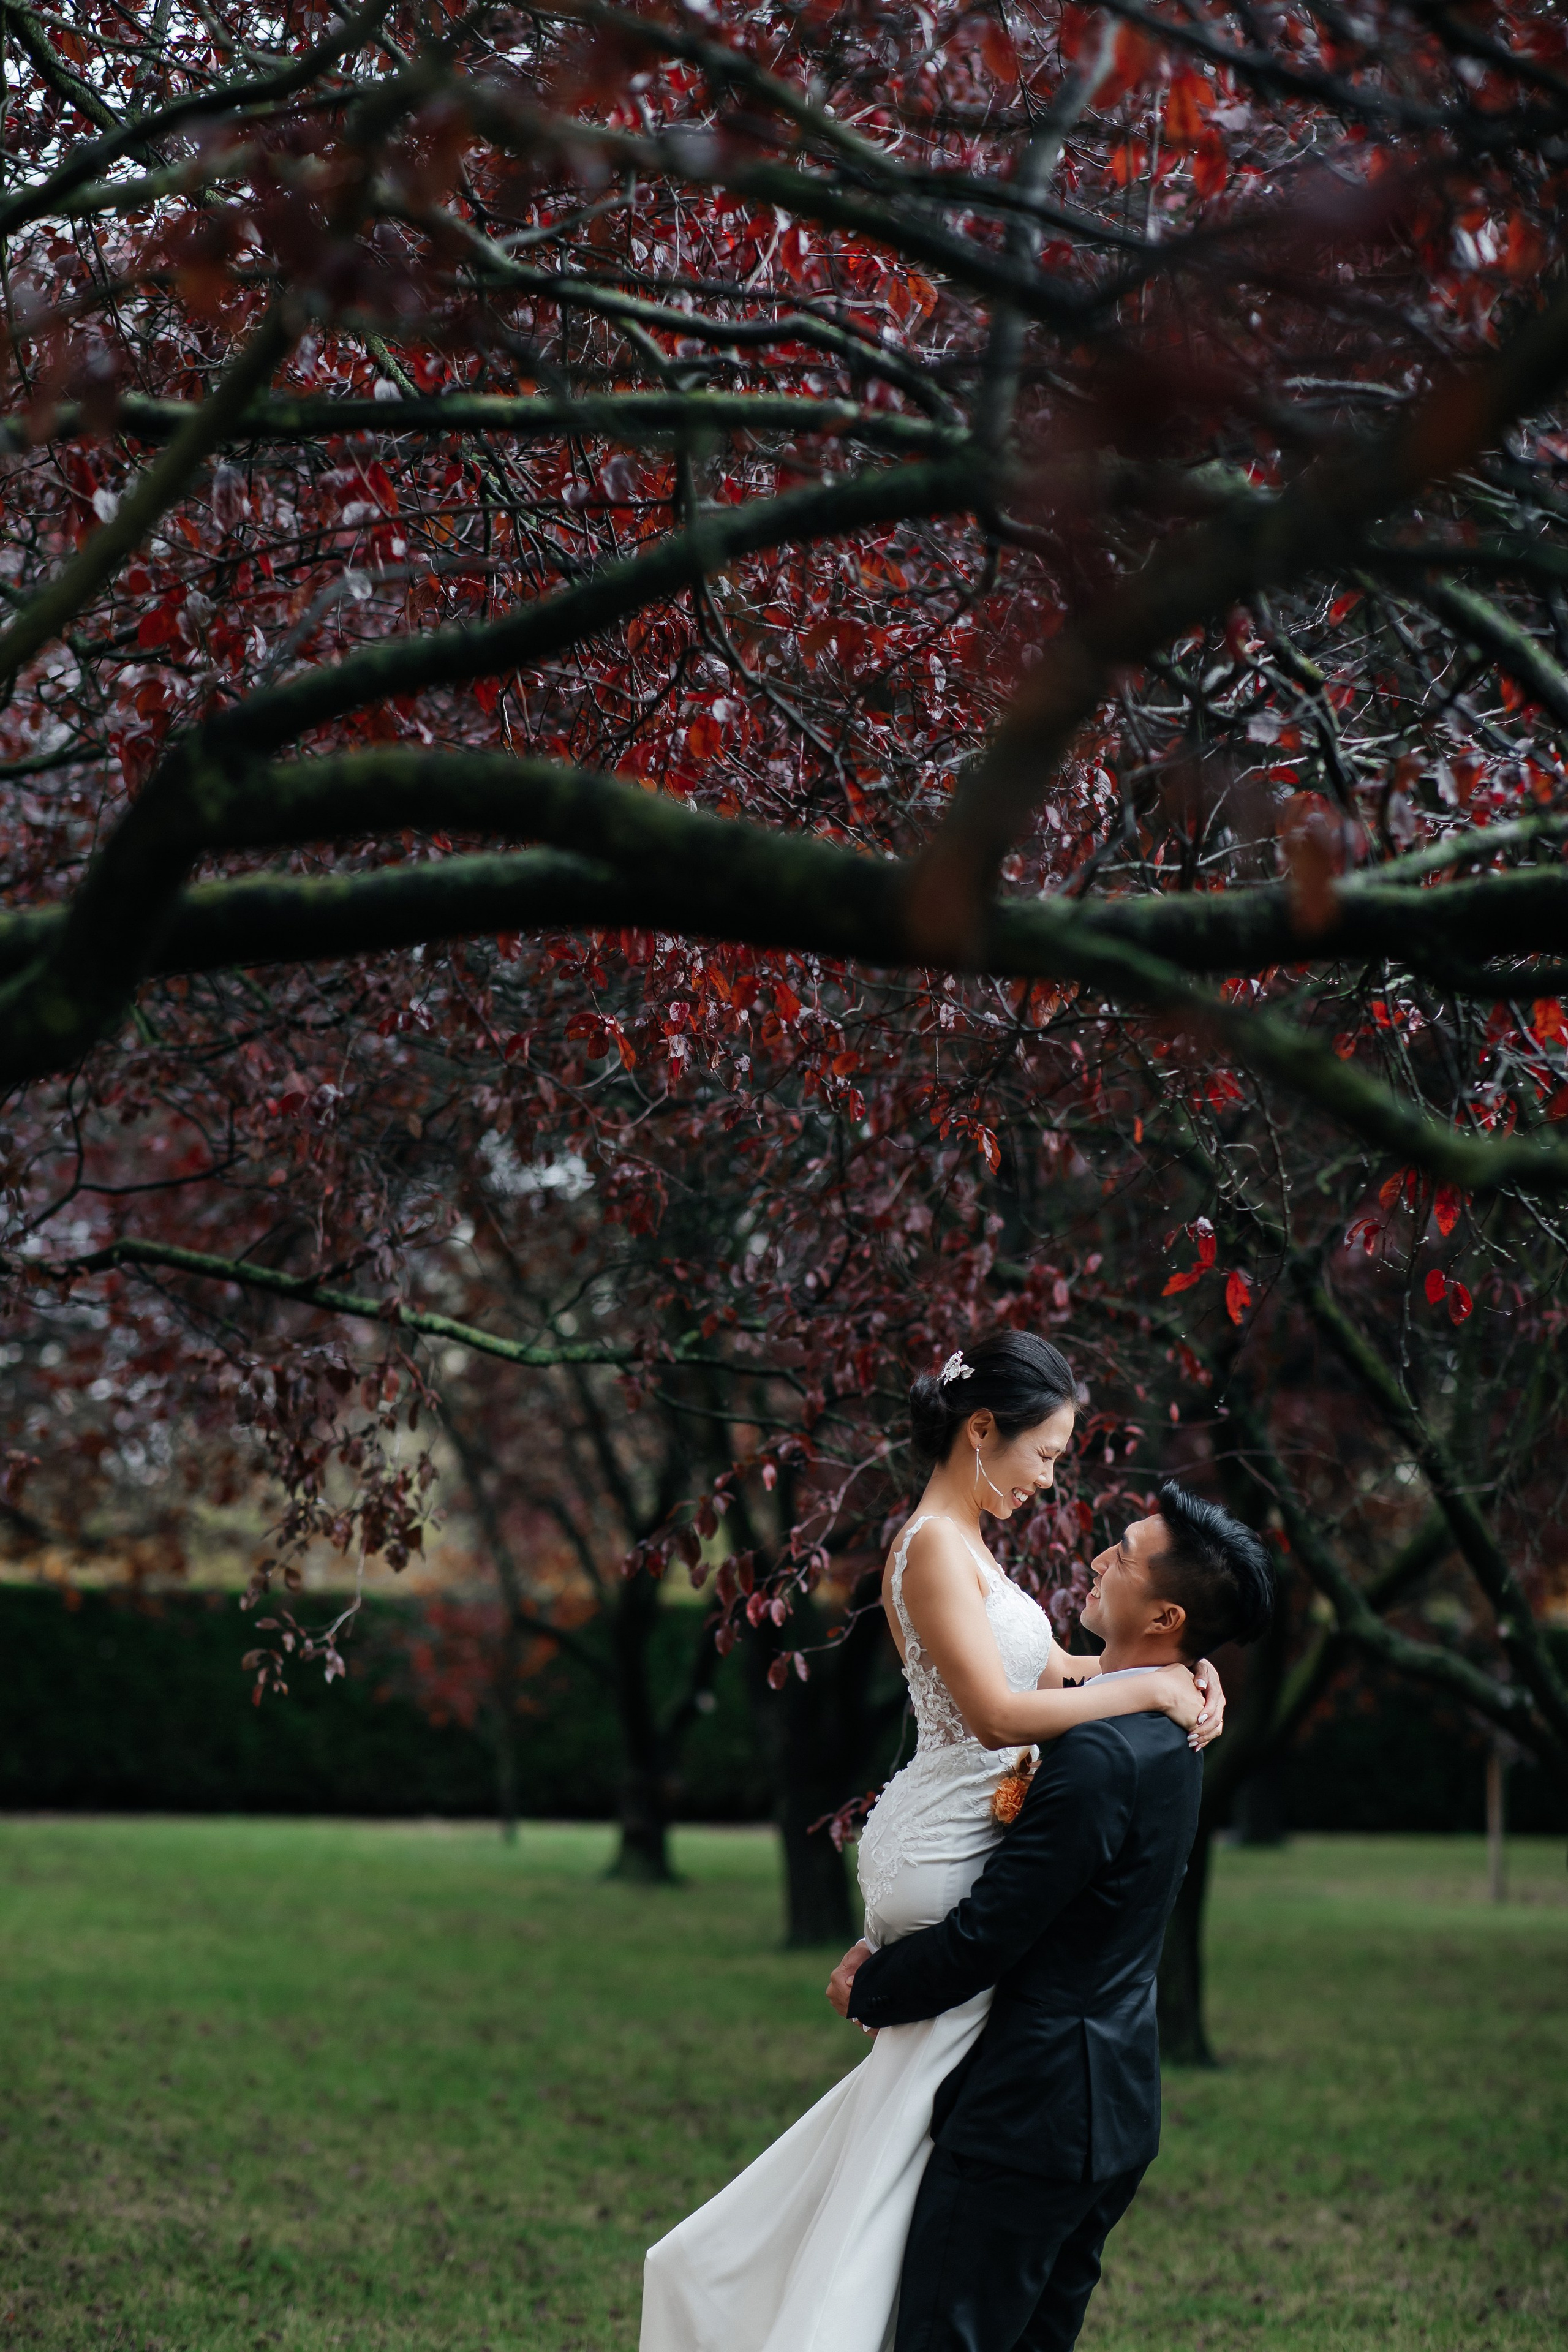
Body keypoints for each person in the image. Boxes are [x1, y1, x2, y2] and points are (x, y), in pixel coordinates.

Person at [639, 1332, 1232, 2352]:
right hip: (937, 1847)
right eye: (1044, 1454)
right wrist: (1150, 1684)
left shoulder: (974, 1549)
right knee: (926, 2135)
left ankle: (819, 2302)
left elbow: (1062, 1670)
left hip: (954, 1836)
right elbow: (1002, 1716)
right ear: (981, 1430)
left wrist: (1192, 1671)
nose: (1050, 1479)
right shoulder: (925, 1548)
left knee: (893, 2150)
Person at [827, 1475, 1275, 2352]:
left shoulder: (1102, 1754)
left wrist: (869, 1985)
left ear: (1166, 1619)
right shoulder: (1172, 1728)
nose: (1101, 1558)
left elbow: (991, 1933)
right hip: (1114, 2108)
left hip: (1031, 2120)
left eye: (1127, 1555)